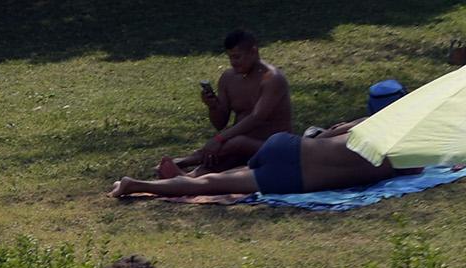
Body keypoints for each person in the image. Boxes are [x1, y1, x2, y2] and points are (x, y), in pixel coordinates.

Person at [112, 120, 415, 201]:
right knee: (212, 185)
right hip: (294, 178)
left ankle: (182, 176)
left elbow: (334, 131)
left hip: (290, 147)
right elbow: (420, 166)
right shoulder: (407, 160)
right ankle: (136, 185)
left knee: (213, 180)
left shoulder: (375, 126)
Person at [167, 29, 293, 173]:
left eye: (237, 57)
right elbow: (220, 123)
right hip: (236, 148)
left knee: (236, 143)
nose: (233, 63)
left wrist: (219, 139)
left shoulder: (272, 78)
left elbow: (257, 118)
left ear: (254, 51)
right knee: (215, 162)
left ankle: (182, 162)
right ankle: (187, 177)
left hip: (272, 147)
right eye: (230, 58)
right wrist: (213, 106)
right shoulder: (228, 78)